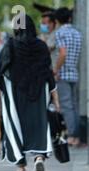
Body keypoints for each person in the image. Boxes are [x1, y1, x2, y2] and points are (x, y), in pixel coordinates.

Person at [0, 14, 61, 171]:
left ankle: (21, 170)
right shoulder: (41, 46)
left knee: (14, 129)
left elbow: (0, 71)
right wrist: (55, 97)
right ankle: (39, 157)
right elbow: (47, 70)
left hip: (14, 95)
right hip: (38, 93)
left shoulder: (10, 46)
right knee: (39, 125)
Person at [54, 7, 83, 147]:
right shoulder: (77, 33)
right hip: (74, 73)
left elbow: (63, 53)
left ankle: (72, 136)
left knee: (66, 106)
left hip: (63, 74)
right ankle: (77, 136)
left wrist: (56, 69)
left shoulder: (60, 32)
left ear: (57, 20)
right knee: (74, 106)